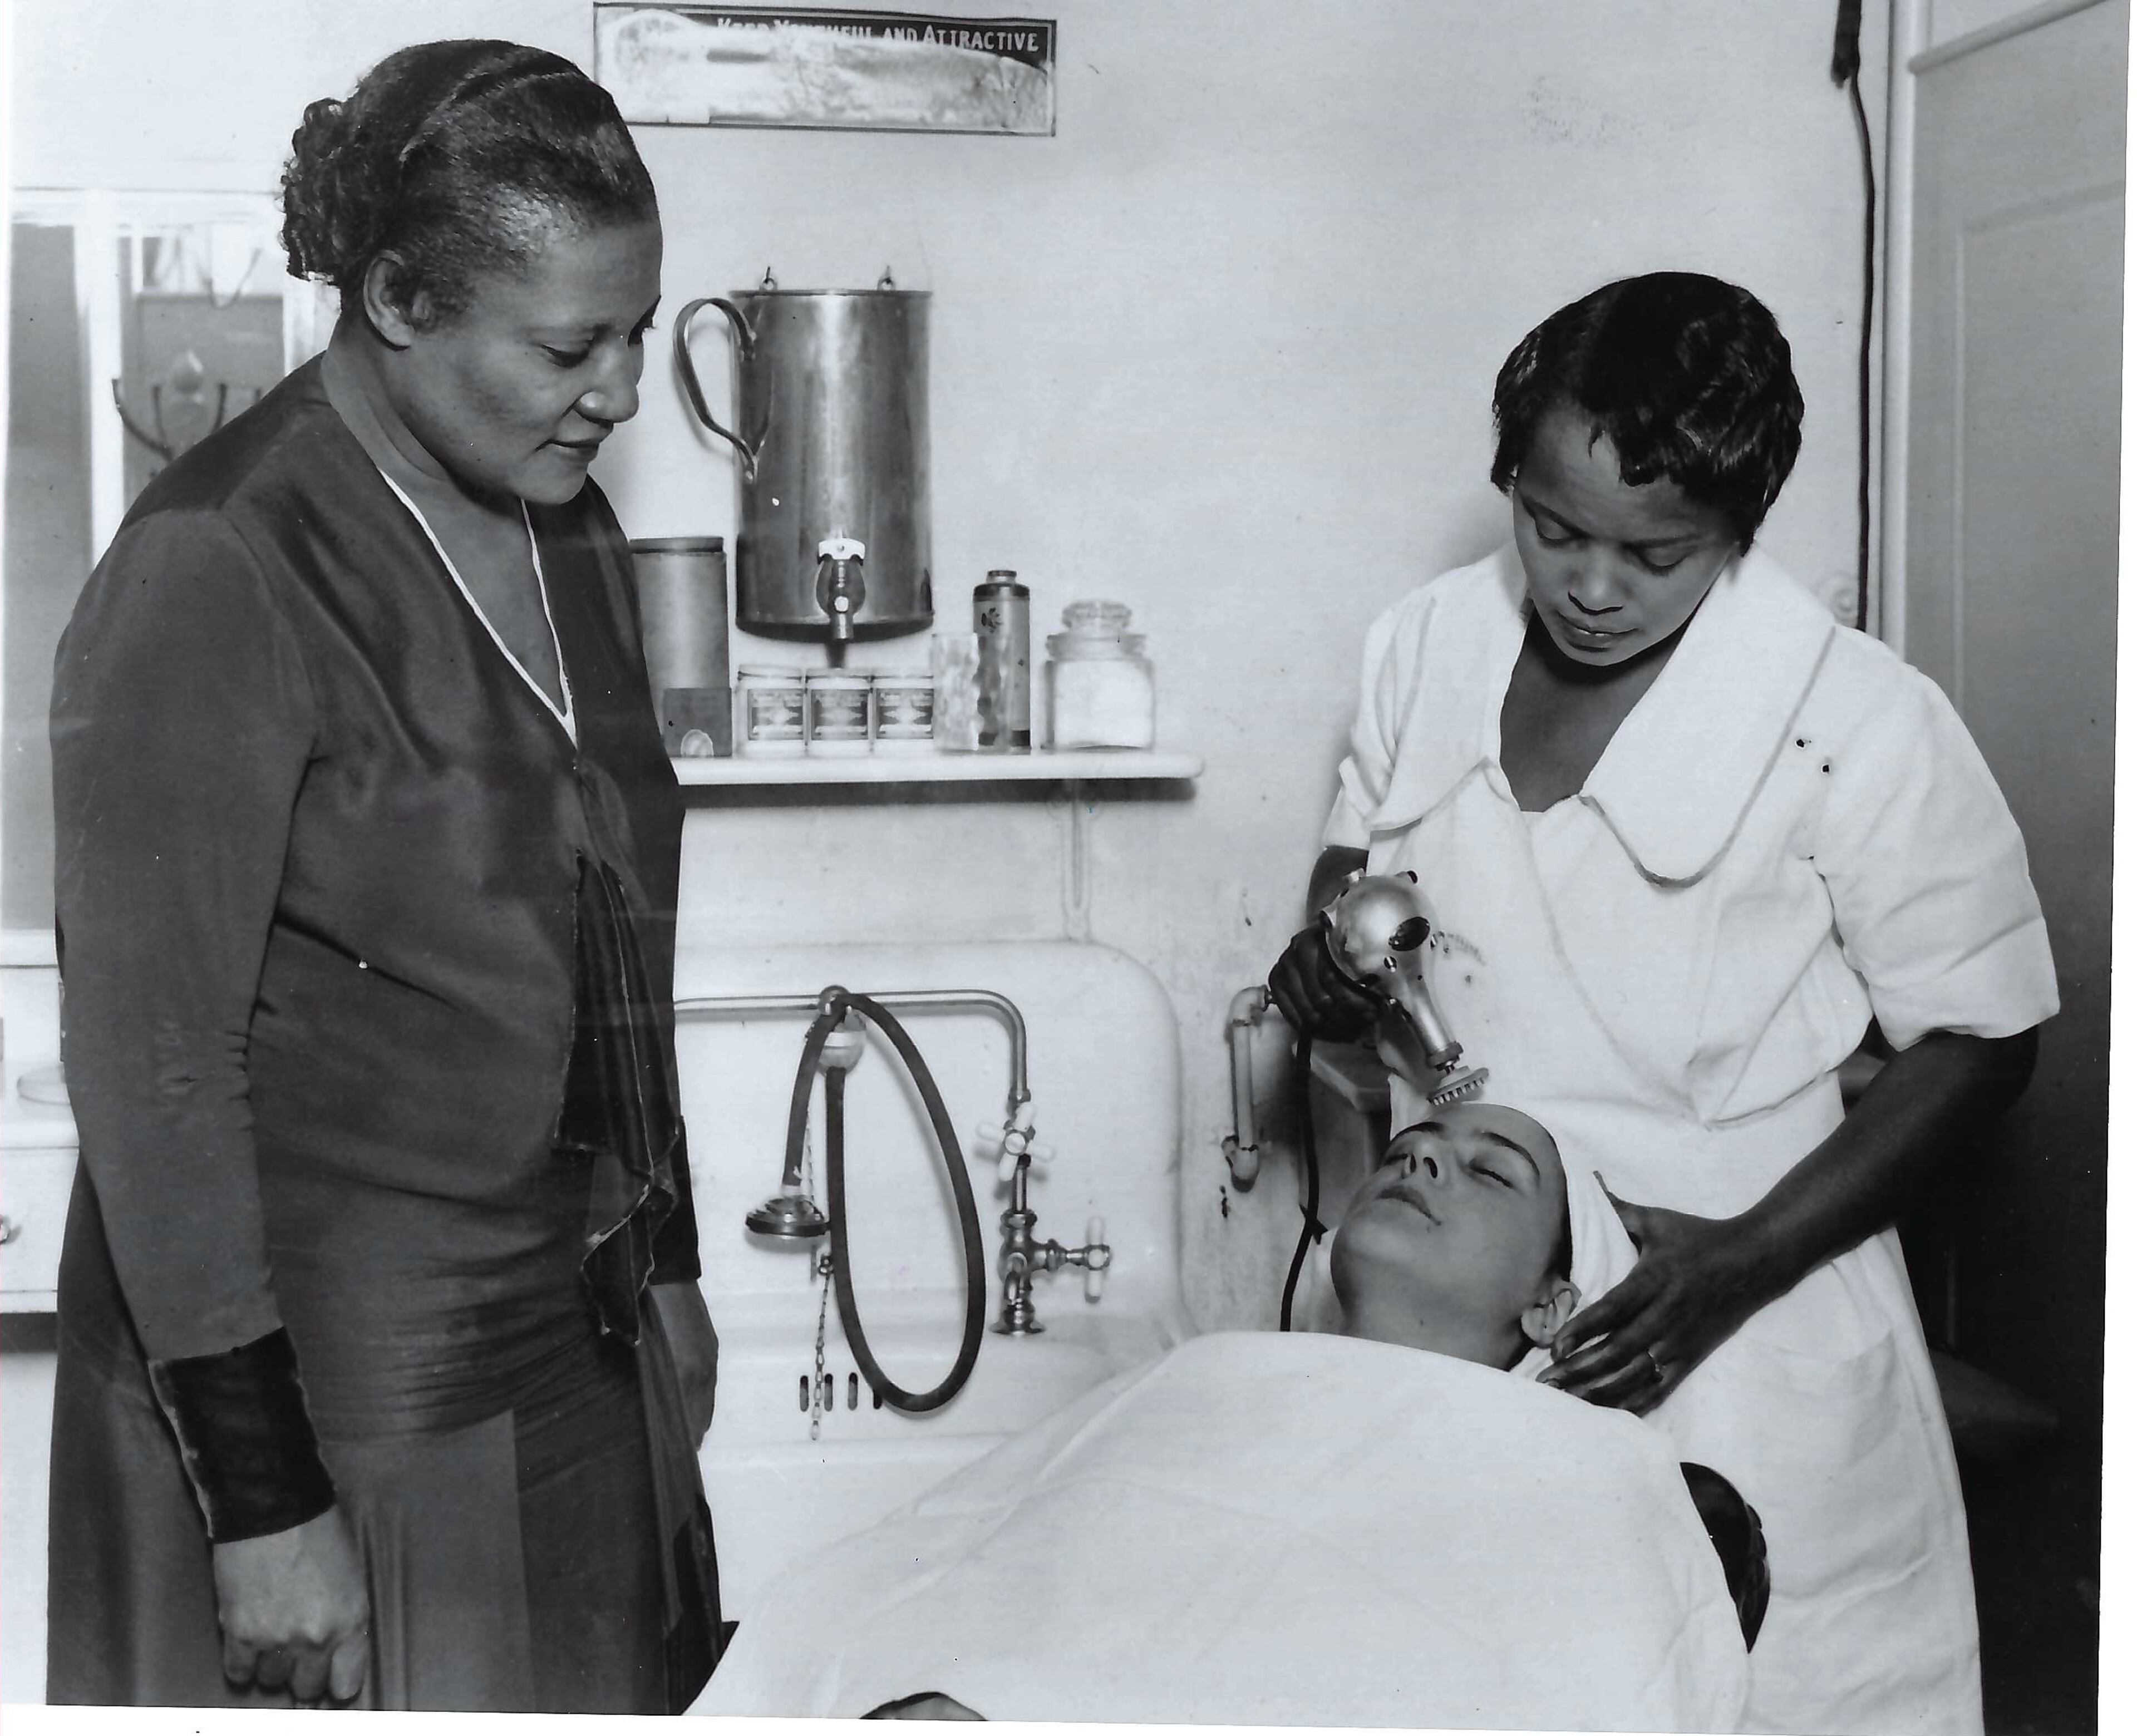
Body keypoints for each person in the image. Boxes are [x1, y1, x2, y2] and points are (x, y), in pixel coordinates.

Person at [1267, 272, 2056, 1735]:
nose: (1591, 585)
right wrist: (1327, 952)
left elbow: (1986, 1041)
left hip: (1742, 1313)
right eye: (1554, 528)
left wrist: (1744, 1263)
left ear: (1740, 532)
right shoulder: (1427, 645)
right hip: (1469, 1312)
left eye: (1657, 554)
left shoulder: (1855, 720)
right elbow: (1357, 858)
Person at [47, 40, 721, 1713]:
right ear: (402, 302)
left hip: (574, 1336)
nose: (623, 393)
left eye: (638, 331)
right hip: (328, 1401)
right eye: (572, 344)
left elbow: (616, 936)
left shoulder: (573, 536)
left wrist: (679, 1263)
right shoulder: (223, 563)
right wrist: (265, 1509)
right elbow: (155, 1071)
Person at [708, 1102, 1767, 1728]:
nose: (1422, 1158)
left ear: (1551, 1306)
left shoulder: (1590, 1467)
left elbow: (1556, 1674)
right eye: (1407, 1151)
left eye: (1491, 1173)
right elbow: (1001, 1553)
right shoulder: (1210, 1374)